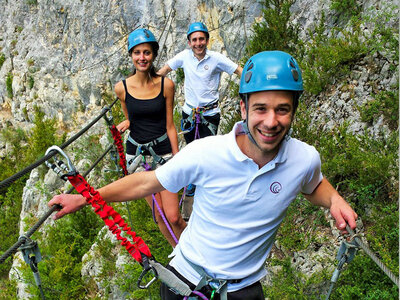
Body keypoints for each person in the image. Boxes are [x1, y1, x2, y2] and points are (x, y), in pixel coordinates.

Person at [49, 51, 357, 300]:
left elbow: (313, 183)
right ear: (243, 108)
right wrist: (85, 197)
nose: (271, 121)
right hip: (185, 281)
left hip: (244, 289)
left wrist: (334, 200)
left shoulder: (304, 158)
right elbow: (146, 181)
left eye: (283, 109)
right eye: (261, 108)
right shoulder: (207, 153)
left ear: (294, 111)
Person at [114, 28, 186, 247]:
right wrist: (127, 122)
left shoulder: (166, 85)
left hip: (163, 152)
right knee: (159, 215)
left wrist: (177, 156)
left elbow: (169, 124)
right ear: (131, 55)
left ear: (153, 55)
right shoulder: (121, 88)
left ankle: (193, 253)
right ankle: (178, 255)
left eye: (146, 52)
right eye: (137, 53)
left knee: (173, 215)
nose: (142, 58)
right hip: (138, 155)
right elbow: (131, 116)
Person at [158, 22, 243, 197]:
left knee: (208, 149)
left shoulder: (216, 59)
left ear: (207, 40)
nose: (198, 43)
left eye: (201, 39)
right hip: (190, 112)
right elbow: (164, 70)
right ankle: (192, 181)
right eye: (194, 40)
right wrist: (147, 87)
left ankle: (206, 182)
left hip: (210, 114)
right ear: (189, 42)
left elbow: (238, 71)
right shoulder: (184, 56)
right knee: (191, 148)